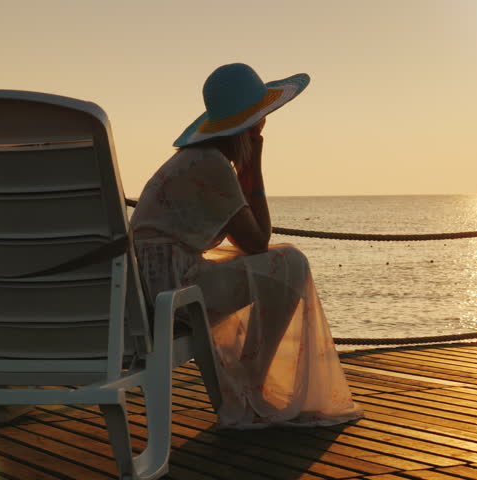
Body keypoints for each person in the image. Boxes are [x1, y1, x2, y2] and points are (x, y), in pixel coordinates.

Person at [131, 63, 363, 429]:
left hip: (148, 285)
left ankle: (248, 376)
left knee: (281, 262)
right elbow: (257, 241)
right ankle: (252, 378)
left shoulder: (196, 161)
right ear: (252, 124)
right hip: (171, 291)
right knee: (291, 264)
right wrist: (255, 162)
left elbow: (246, 239)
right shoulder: (211, 164)